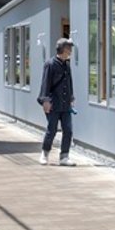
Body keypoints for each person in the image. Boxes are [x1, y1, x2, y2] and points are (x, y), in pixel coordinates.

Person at [38, 38, 76, 166]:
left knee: (68, 130)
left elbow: (69, 82)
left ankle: (64, 156)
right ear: (63, 49)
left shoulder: (67, 65)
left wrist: (71, 98)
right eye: (69, 48)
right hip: (53, 103)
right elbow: (45, 83)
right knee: (52, 130)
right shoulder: (50, 64)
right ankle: (45, 153)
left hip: (65, 104)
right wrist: (45, 101)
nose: (70, 51)